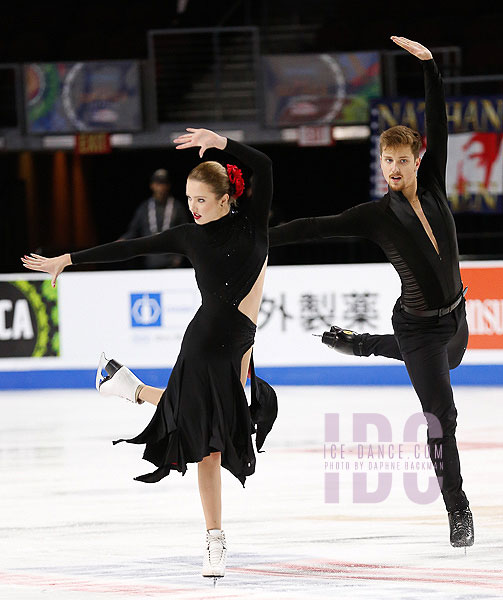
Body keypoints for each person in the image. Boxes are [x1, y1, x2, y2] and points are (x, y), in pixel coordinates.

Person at [21, 128, 278, 580]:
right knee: (209, 445)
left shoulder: (252, 222)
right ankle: (214, 539)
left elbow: (266, 166)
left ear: (224, 198)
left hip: (241, 341)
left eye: (200, 199)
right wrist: (70, 259)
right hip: (202, 343)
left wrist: (222, 142)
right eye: (188, 199)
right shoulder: (188, 236)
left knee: (214, 411)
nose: (192, 208)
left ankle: (133, 389)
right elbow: (129, 247)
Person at [268, 37, 474, 548]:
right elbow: (315, 227)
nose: (395, 168)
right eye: (387, 160)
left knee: (453, 362)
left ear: (417, 158)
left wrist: (429, 66)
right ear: (381, 164)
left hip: (456, 319)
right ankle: (458, 509)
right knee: (440, 418)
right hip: (417, 328)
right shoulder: (375, 215)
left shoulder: (433, 188)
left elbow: (440, 121)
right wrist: (256, 236)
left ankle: (361, 344)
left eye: (403, 158)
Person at [121, 168, 191, 269]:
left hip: (173, 264)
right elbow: (133, 232)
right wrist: (122, 241)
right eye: (158, 183)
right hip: (150, 263)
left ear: (168, 186)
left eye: (163, 183)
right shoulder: (144, 208)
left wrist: (178, 258)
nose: (160, 187)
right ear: (152, 185)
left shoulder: (177, 207)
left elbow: (186, 234)